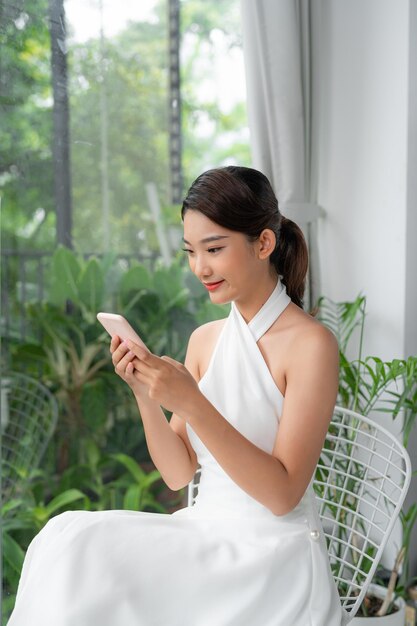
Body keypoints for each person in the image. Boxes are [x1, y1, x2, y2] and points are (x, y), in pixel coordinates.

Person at [8, 166, 346, 626]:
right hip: (203, 535)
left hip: (269, 556)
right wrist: (145, 392)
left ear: (263, 244)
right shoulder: (205, 340)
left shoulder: (312, 346)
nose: (199, 268)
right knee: (67, 539)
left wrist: (191, 402)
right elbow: (177, 473)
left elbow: (284, 494)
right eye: (191, 251)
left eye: (214, 249)